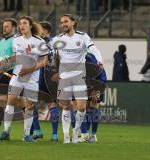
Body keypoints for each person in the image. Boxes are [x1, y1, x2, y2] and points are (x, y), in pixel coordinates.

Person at [51, 14, 102, 143]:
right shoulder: (58, 38)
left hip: (79, 77)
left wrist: (99, 60)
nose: (63, 24)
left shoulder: (83, 37)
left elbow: (93, 49)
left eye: (66, 21)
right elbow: (45, 48)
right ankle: (66, 136)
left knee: (82, 108)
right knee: (66, 107)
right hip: (64, 78)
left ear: (73, 22)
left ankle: (75, 132)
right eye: (62, 22)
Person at [0, 16, 48, 142]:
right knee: (10, 101)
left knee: (29, 107)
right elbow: (15, 56)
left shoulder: (39, 41)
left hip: (32, 79)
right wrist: (3, 65)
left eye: (24, 23)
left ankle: (26, 135)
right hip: (17, 76)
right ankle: (6, 132)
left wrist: (30, 70)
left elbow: (44, 62)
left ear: (30, 25)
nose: (22, 26)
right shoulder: (16, 40)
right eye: (20, 24)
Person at [31, 21, 59, 141]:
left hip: (41, 76)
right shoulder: (56, 43)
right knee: (52, 105)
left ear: (45, 30)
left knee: (30, 103)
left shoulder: (39, 42)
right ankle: (54, 135)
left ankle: (37, 131)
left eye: (39, 29)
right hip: (53, 77)